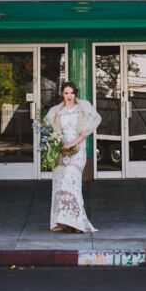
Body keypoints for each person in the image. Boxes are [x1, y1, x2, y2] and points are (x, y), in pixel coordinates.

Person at [45, 81, 101, 233]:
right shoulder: (56, 111)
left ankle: (77, 222)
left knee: (71, 184)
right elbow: (50, 131)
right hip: (60, 152)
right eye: (66, 93)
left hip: (76, 150)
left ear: (75, 93)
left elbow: (85, 132)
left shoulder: (83, 109)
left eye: (72, 92)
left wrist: (71, 144)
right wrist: (57, 144)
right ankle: (64, 222)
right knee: (59, 186)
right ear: (62, 94)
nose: (69, 96)